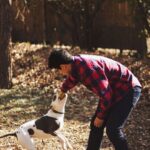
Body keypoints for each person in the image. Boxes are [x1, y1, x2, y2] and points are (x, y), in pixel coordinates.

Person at [48, 48, 142, 150]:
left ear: (63, 66)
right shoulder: (75, 64)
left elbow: (106, 96)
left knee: (113, 129)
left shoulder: (88, 69)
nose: (61, 73)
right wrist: (63, 90)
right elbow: (73, 78)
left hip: (128, 89)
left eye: (59, 70)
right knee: (96, 125)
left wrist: (101, 117)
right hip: (113, 90)